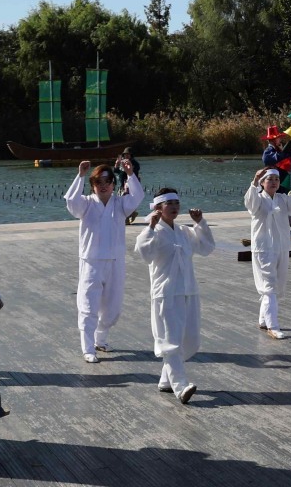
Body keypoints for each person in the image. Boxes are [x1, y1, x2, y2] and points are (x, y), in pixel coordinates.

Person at [134, 188, 215, 404]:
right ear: (158, 208)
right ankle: (181, 386)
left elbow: (207, 248)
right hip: (166, 294)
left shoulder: (185, 231)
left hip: (189, 291)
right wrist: (149, 227)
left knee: (190, 341)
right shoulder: (154, 232)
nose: (174, 206)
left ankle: (166, 380)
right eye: (168, 203)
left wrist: (200, 223)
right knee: (170, 342)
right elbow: (144, 253)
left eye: (176, 202)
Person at [64, 159, 144, 362]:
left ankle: (100, 338)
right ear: (93, 185)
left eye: (107, 181)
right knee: (88, 306)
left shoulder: (120, 204)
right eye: (98, 181)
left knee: (113, 308)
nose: (103, 185)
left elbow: (137, 196)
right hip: (91, 261)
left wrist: (130, 173)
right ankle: (88, 348)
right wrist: (81, 175)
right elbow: (71, 202)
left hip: (116, 262)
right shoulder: (86, 203)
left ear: (113, 185)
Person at [244, 164, 291, 339]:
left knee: (277, 284)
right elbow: (250, 203)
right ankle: (273, 326)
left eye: (276, 179)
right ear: (262, 182)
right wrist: (254, 181)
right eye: (269, 179)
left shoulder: (282, 199)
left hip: (282, 247)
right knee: (269, 286)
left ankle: (263, 319)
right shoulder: (258, 198)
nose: (273, 182)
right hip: (264, 248)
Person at [113, 148, 142, 224]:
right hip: (122, 185)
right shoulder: (122, 162)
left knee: (126, 202)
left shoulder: (134, 163)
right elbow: (116, 171)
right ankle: (131, 214)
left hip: (129, 185)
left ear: (131, 155)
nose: (127, 156)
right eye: (125, 154)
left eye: (128, 154)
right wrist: (116, 164)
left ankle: (129, 216)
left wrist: (128, 167)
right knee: (121, 202)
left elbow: (133, 173)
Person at [262, 128, 291, 193]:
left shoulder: (277, 150)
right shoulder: (268, 151)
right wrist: (282, 152)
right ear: (274, 140)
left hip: (282, 181)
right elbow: (269, 160)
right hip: (274, 182)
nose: (280, 140)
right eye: (278, 138)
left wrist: (282, 151)